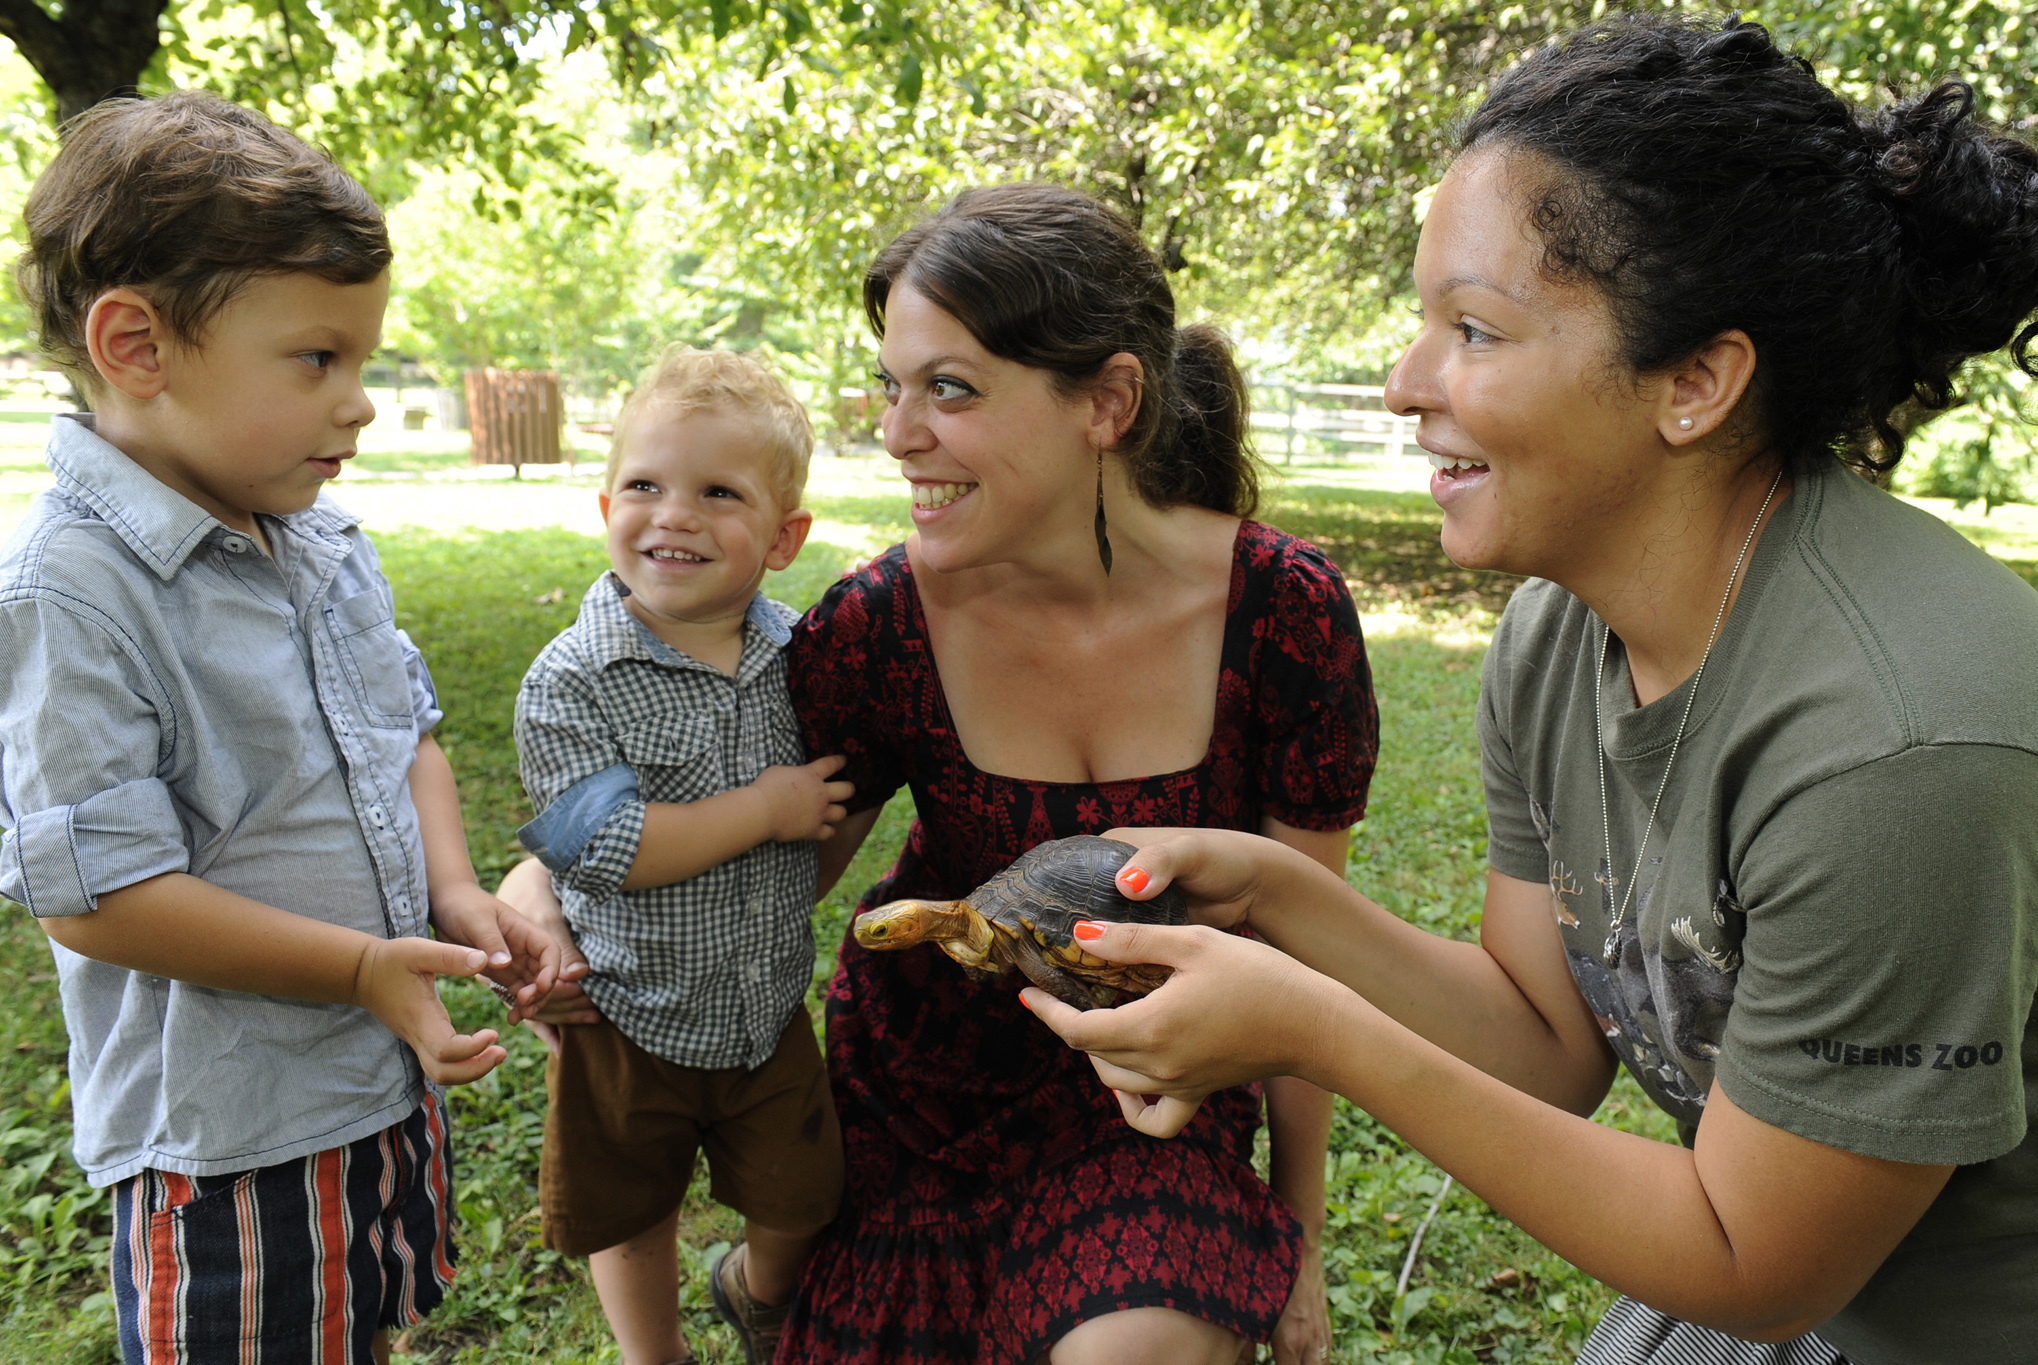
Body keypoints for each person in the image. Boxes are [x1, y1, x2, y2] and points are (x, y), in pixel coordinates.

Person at [1025, 16, 2038, 1365]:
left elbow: (1753, 1261)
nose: (1402, 385)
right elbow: (1549, 1036)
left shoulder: (1894, 743)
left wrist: (1312, 1029)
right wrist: (1279, 900)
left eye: (1473, 330)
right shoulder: (1556, 637)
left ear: (1693, 382)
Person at [506, 183, 1378, 1364]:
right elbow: (736, 828)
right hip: (913, 1099)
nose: (896, 432)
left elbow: (1304, 946)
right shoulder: (876, 625)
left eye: (950, 390)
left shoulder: (1284, 614)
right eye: (892, 386)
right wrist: (534, 895)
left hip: (1147, 1101)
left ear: (1107, 403)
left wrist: (1300, 1235)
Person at [0, 93, 558, 1365]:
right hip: (231, 1133)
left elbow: (406, 726)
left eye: (361, 360)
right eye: (317, 360)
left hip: (373, 1079)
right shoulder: (65, 592)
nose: (357, 403)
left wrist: (457, 891)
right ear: (136, 344)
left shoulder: (314, 537)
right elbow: (99, 898)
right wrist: (362, 967)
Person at [513, 345, 852, 1365]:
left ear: (784, 537)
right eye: (646, 486)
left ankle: (757, 1289)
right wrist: (764, 808)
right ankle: (649, 1353)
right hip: (628, 1013)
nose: (675, 515)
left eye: (718, 492)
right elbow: (606, 846)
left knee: (805, 1195)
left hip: (763, 1008)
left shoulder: (801, 659)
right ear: (604, 501)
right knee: (627, 1203)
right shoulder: (572, 678)